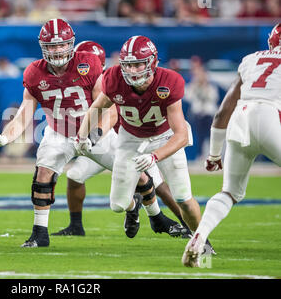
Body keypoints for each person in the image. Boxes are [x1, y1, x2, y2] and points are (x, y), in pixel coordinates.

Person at [0, 18, 108, 247]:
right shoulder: (34, 72)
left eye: (61, 45)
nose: (57, 50)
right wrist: (5, 137)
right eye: (51, 46)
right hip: (60, 132)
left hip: (92, 130)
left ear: (71, 44)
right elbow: (24, 114)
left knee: (137, 172)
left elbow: (104, 103)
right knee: (42, 177)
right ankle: (40, 233)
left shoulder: (88, 62)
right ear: (42, 47)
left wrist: (95, 133)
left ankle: (157, 216)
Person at [74, 35, 211, 248]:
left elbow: (181, 135)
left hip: (164, 136)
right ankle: (136, 206)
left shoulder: (168, 81)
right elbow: (97, 108)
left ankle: (201, 240)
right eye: (128, 65)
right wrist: (82, 136)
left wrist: (154, 156)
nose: (133, 71)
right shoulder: (114, 77)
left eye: (138, 64)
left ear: (152, 62)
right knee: (117, 205)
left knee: (183, 196)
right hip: (130, 140)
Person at [53, 40, 190, 238]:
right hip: (105, 141)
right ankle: (77, 225)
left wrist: (92, 136)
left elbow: (111, 114)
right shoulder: (78, 80)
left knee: (155, 181)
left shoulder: (113, 79)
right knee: (75, 176)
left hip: (125, 138)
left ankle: (177, 223)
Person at [182, 23, 281, 267]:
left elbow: (222, 111)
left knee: (229, 192)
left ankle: (199, 237)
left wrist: (214, 154)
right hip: (269, 117)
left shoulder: (250, 60)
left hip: (241, 118)